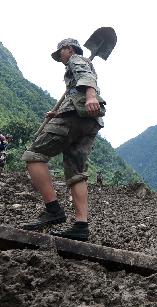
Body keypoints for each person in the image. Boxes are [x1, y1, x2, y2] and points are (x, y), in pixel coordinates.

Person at [21, 39, 104, 241]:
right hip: (90, 121)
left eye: (60, 54)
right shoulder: (77, 66)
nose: (60, 58)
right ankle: (81, 226)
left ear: (69, 49)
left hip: (75, 115)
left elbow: (86, 77)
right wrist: (56, 113)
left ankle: (53, 209)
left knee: (34, 155)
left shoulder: (77, 59)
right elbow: (77, 91)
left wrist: (91, 96)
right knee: (77, 173)